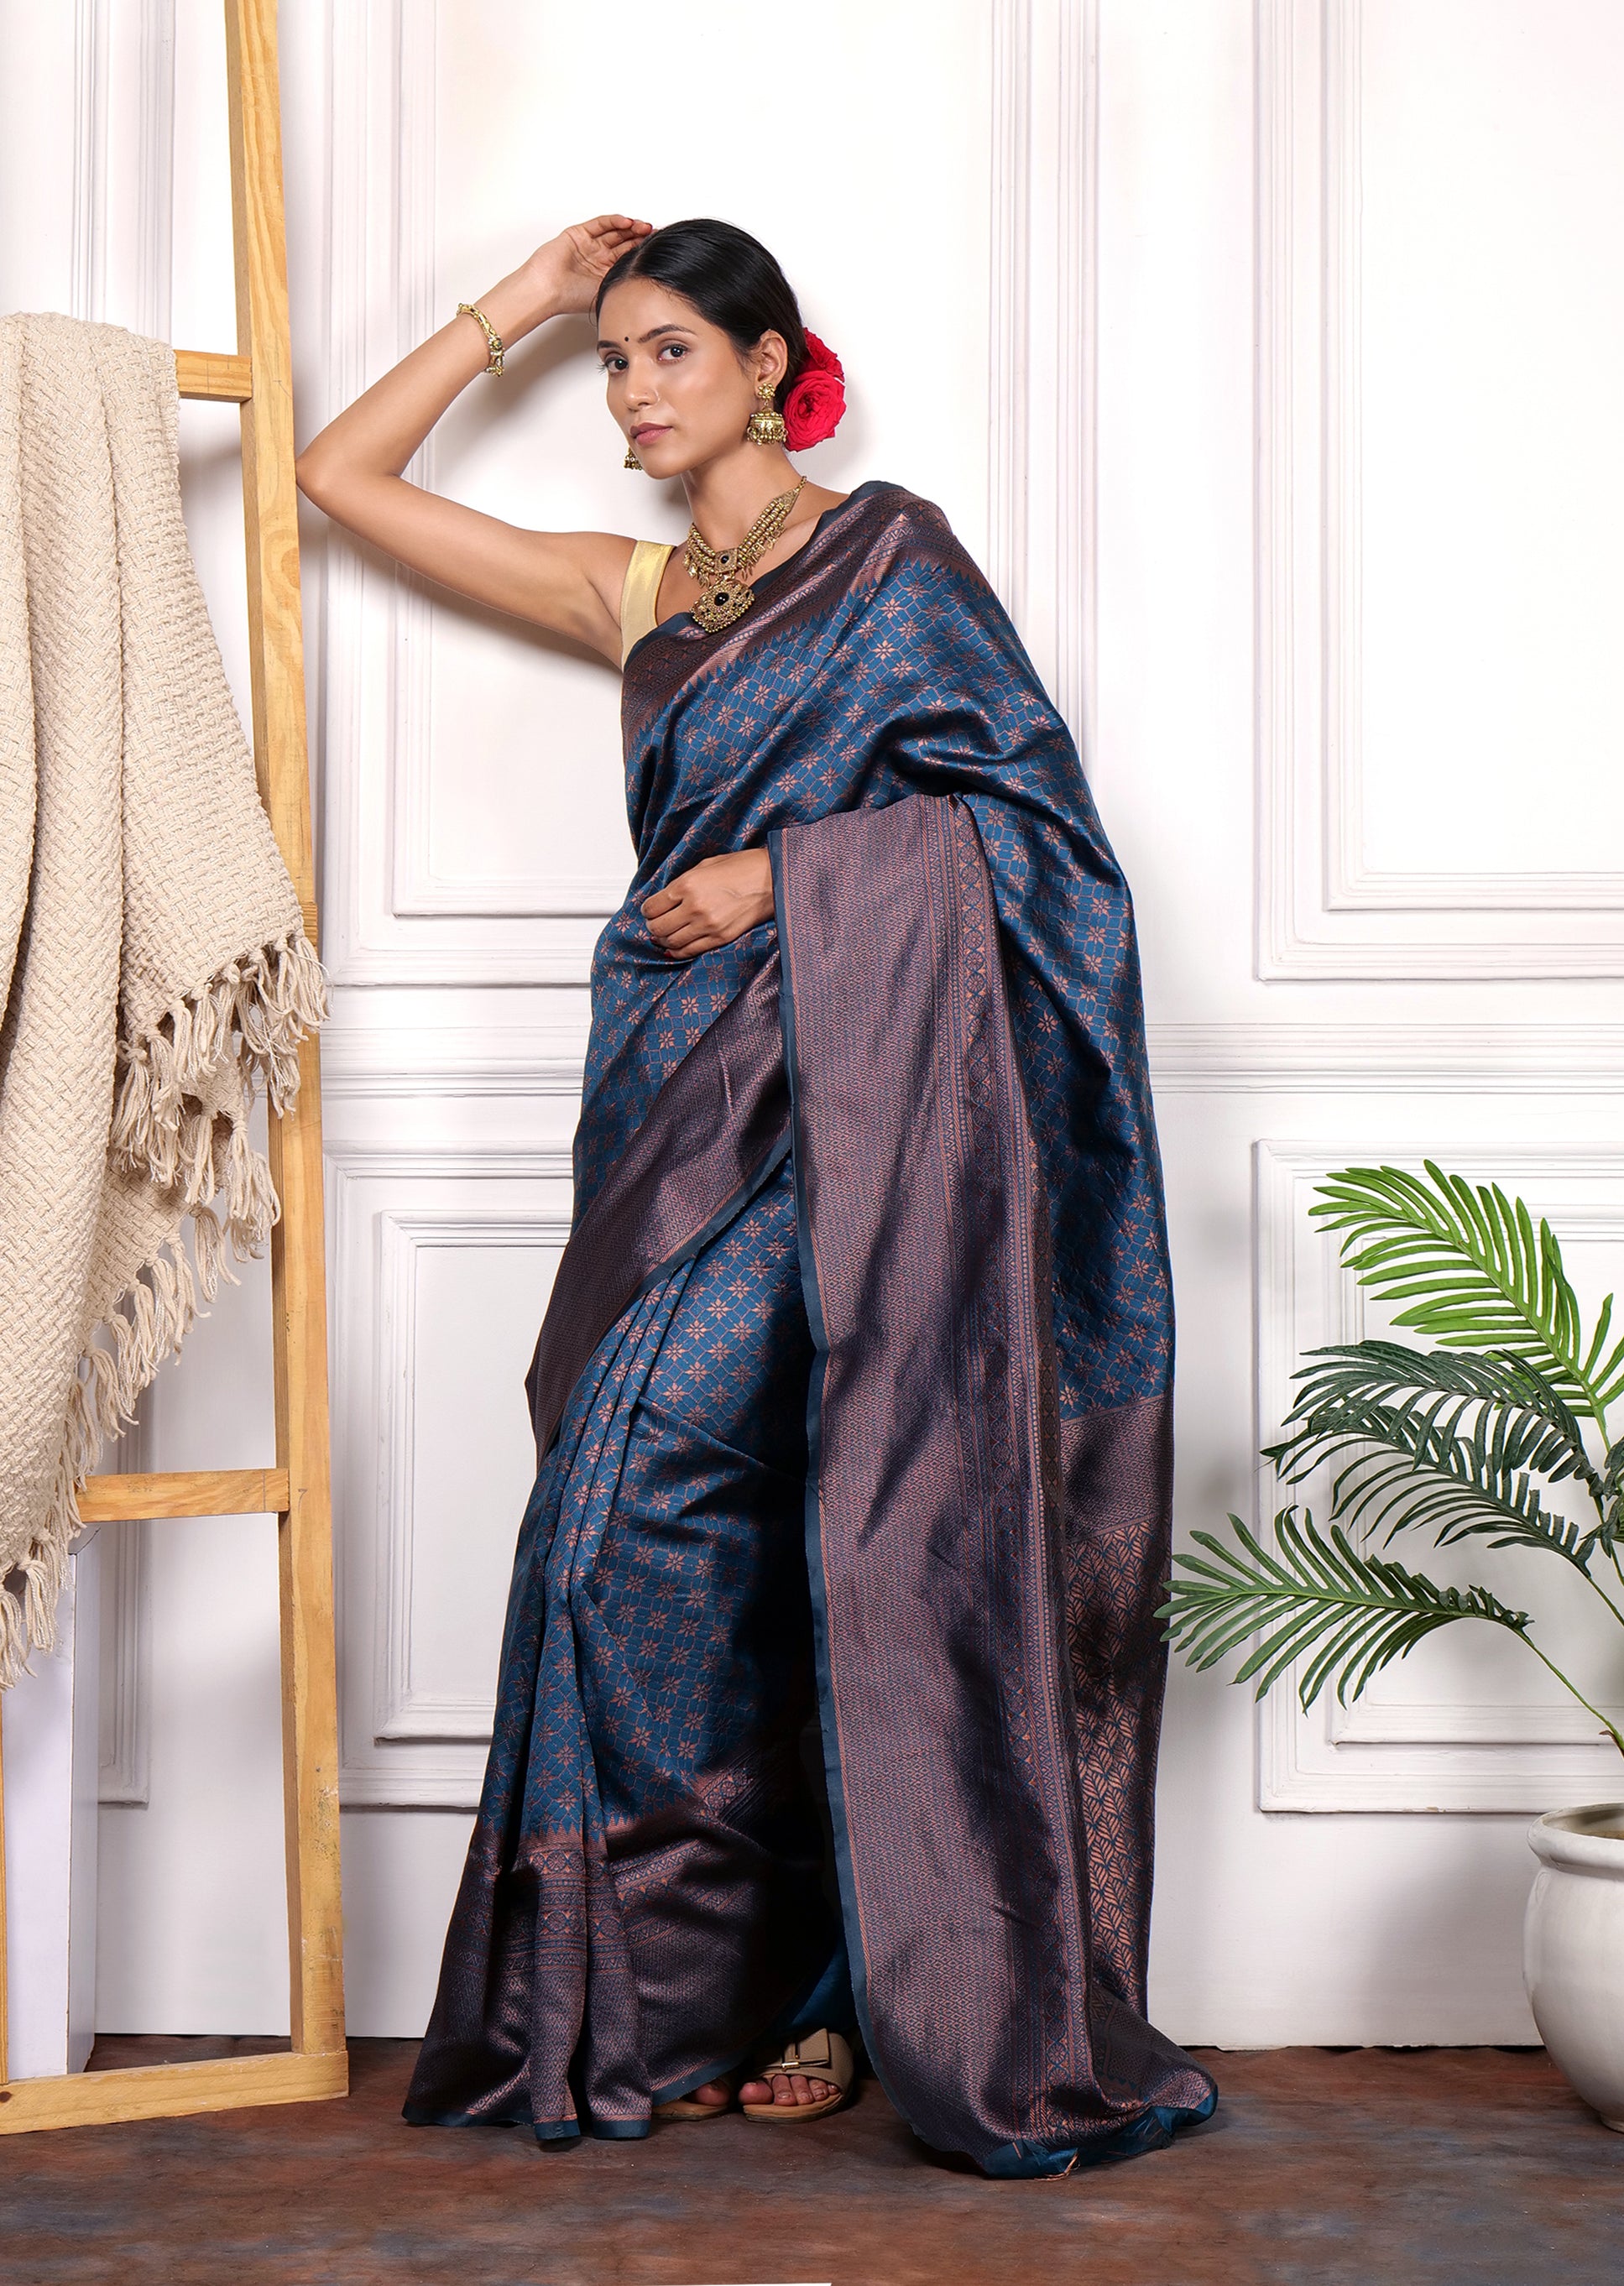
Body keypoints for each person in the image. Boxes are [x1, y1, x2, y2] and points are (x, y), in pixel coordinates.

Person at [295, 212, 1216, 2175]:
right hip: (676, 1097)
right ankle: (692, 1991)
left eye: (662, 357)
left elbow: (1043, 840)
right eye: (613, 360)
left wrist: (795, 887)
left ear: (766, 359)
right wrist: (517, 307)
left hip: (877, 1110)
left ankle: (838, 1992)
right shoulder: (637, 593)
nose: (630, 393)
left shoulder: (894, 557)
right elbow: (330, 480)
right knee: (628, 1520)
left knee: (866, 1512)